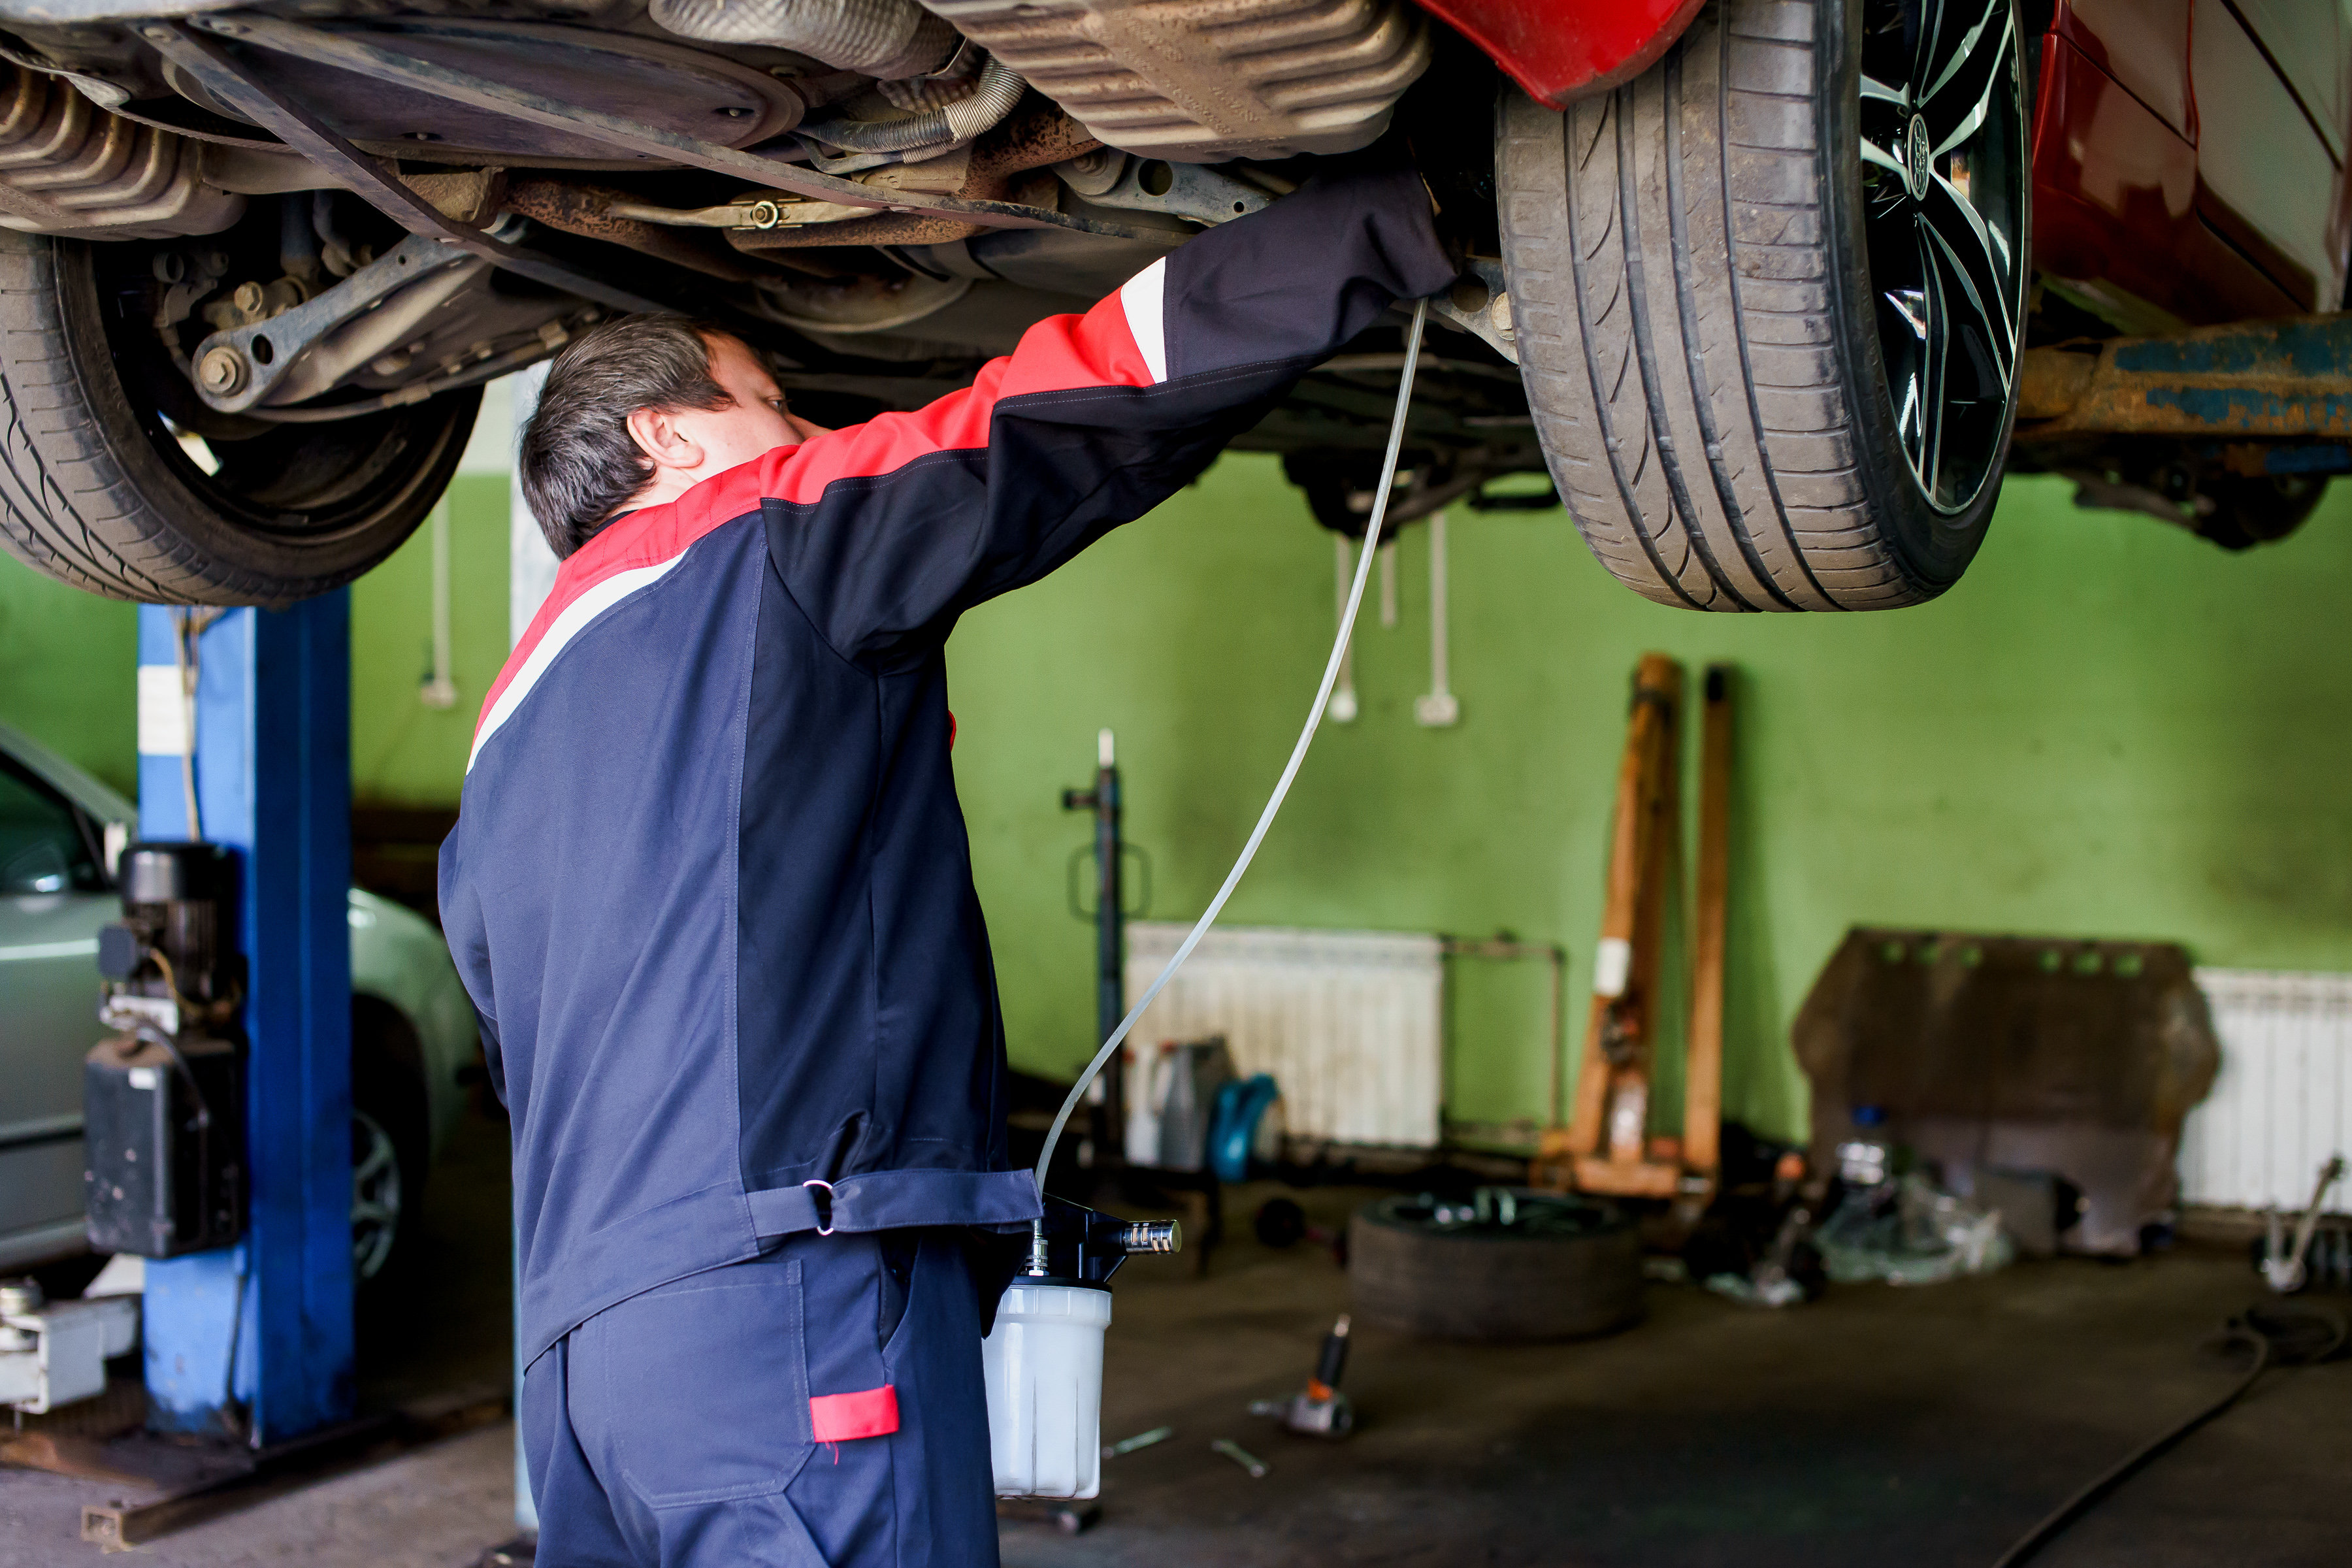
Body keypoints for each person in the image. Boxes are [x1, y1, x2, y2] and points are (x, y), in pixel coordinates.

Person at [438, 164, 1452, 1567]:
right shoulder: (760, 535)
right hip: (783, 1321)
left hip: (580, 1379)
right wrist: (1402, 219)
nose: (807, 426)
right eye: (772, 399)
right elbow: (1063, 407)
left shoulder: (503, 735)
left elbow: (520, 1056)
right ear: (668, 435)